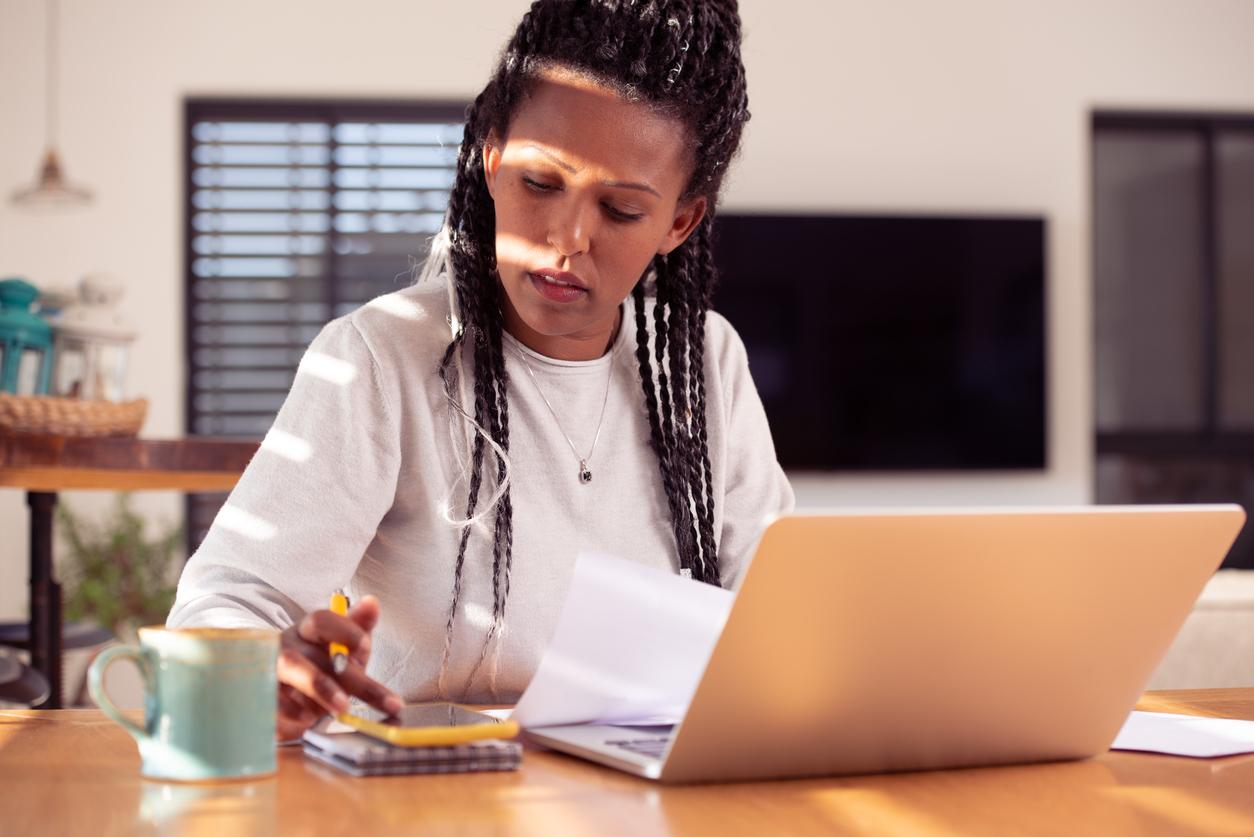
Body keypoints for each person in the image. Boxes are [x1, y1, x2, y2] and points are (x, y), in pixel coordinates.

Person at [167, 0, 794, 741]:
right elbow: (223, 603)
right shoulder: (380, 358)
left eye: (622, 210)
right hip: (432, 791)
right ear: (490, 161)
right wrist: (261, 664)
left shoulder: (706, 362)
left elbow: (781, 617)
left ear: (679, 224)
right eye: (539, 183)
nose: (568, 239)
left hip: (645, 792)